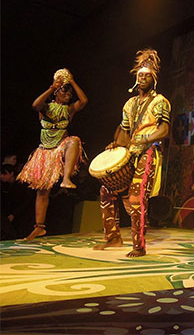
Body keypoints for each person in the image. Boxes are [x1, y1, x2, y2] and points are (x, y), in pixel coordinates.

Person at [93, 49, 171, 258]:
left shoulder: (160, 101)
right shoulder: (129, 104)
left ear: (153, 79)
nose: (142, 78)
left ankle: (139, 245)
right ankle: (113, 238)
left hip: (149, 152)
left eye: (146, 75)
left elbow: (164, 130)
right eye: (140, 75)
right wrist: (116, 145)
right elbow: (124, 131)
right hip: (131, 153)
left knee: (136, 198)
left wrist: (146, 139)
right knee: (106, 191)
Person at [17, 69, 87, 241]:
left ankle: (66, 179)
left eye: (70, 93)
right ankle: (39, 228)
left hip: (61, 149)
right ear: (56, 93)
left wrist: (72, 81)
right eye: (65, 91)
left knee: (74, 141)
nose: (69, 94)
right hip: (44, 152)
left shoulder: (69, 110)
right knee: (42, 192)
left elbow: (83, 100)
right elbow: (35, 105)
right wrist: (52, 87)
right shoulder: (45, 107)